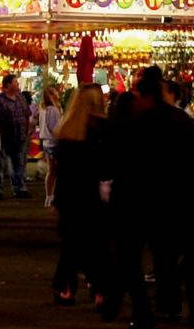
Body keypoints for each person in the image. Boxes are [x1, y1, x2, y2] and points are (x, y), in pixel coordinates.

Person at [108, 66, 194, 328]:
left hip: (155, 200)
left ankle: (156, 308)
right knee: (185, 258)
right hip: (186, 198)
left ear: (147, 97)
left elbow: (133, 166)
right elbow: (193, 163)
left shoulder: (143, 123)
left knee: (155, 255)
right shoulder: (180, 120)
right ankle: (188, 307)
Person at [51, 83, 111, 307]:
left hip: (69, 194)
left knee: (71, 244)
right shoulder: (103, 129)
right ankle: (100, 292)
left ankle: (66, 288)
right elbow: (109, 165)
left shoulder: (66, 131)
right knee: (98, 245)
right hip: (95, 194)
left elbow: (60, 169)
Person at [0, 74, 32, 198]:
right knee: (0, 164)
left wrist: (26, 130)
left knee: (18, 163)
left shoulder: (20, 98)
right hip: (4, 137)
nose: (17, 84)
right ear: (8, 85)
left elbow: (26, 114)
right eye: (15, 82)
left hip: (19, 136)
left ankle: (19, 188)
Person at [38, 86, 62, 207]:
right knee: (55, 171)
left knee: (51, 171)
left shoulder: (43, 109)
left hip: (46, 142)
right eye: (55, 92)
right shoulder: (53, 110)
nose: (58, 94)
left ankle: (49, 196)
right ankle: (51, 196)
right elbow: (54, 128)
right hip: (54, 142)